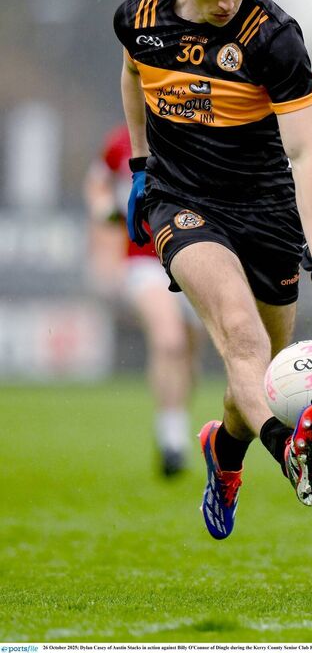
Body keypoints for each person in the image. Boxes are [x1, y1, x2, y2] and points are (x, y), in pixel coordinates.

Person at [113, 0, 312, 540]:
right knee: (242, 341)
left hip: (267, 212)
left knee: (262, 374)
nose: (228, 4)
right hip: (182, 201)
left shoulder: (274, 38)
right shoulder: (139, 19)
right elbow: (133, 72)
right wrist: (140, 164)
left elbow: (305, 155)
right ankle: (288, 451)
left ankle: (225, 453)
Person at [84, 124, 204, 477]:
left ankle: (177, 422)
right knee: (169, 341)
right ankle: (172, 441)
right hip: (143, 261)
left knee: (189, 352)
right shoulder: (121, 140)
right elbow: (97, 182)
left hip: (194, 258)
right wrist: (104, 212)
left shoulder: (196, 131)